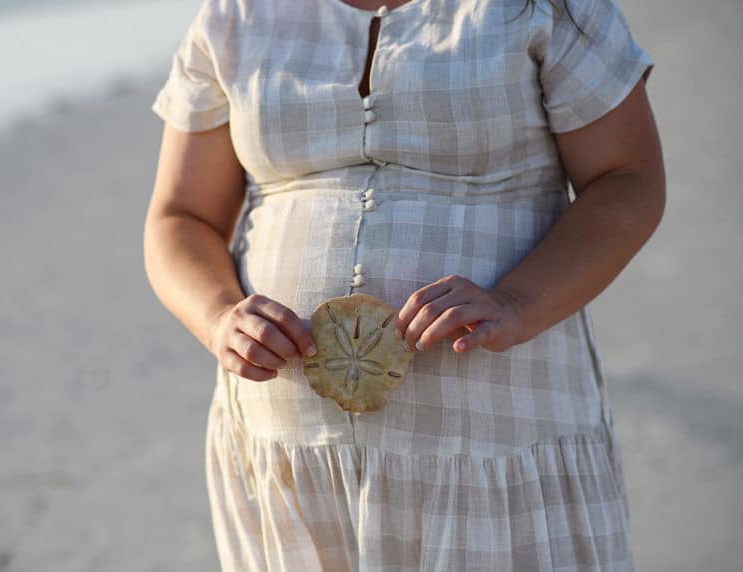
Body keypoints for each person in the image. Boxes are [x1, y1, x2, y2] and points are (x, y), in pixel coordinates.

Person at [143, 0, 665, 569]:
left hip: (499, 450)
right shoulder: (237, 17)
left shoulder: (539, 9)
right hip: (291, 467)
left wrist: (517, 303)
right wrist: (219, 316)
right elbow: (180, 216)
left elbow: (627, 180)